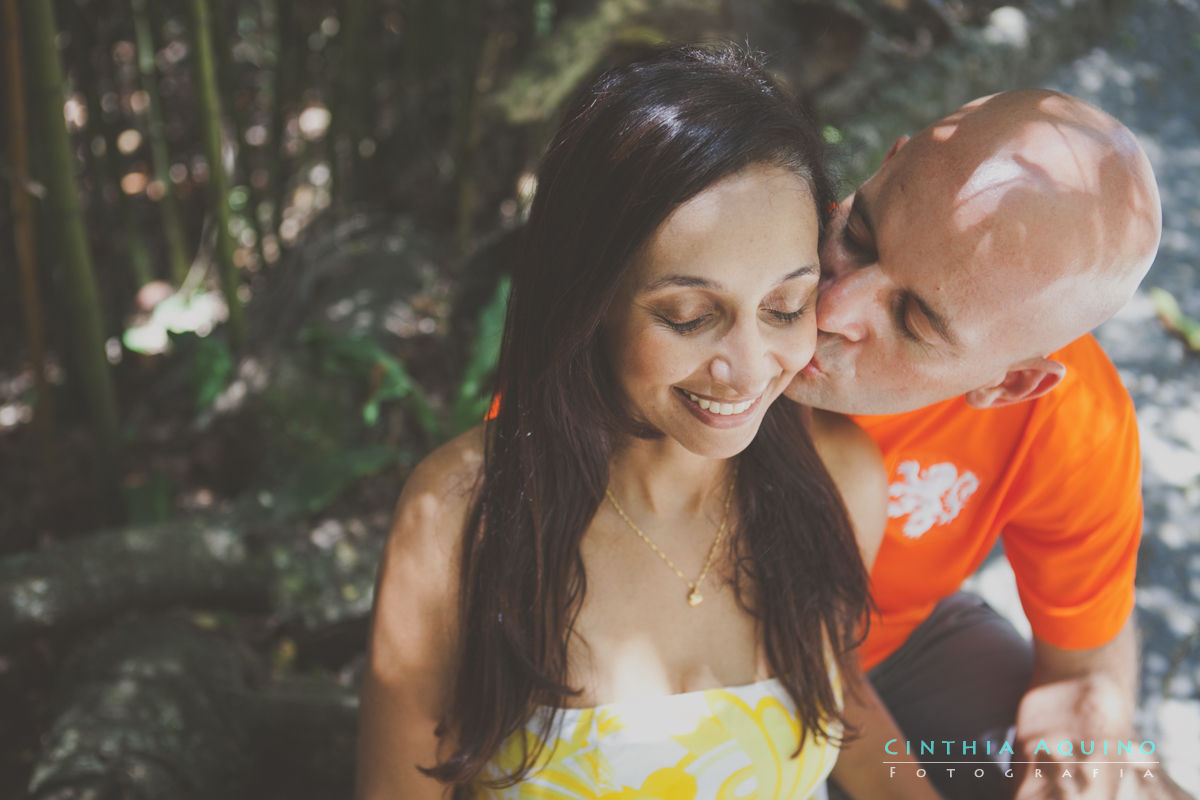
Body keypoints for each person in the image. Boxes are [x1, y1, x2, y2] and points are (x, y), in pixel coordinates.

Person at [356, 43, 939, 800]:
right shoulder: (462, 516)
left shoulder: (840, 478)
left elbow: (839, 696)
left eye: (786, 307)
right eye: (690, 316)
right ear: (590, 300)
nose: (749, 363)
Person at [785, 90, 1190, 799]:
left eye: (913, 319)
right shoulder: (719, 278)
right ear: (891, 163)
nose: (830, 306)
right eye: (860, 233)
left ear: (1010, 384)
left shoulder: (1072, 420)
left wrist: (1080, 763)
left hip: (895, 642)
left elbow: (1084, 671)